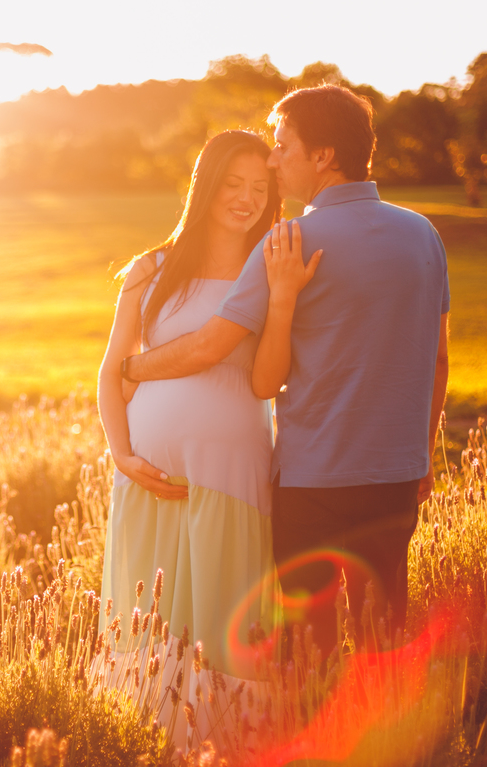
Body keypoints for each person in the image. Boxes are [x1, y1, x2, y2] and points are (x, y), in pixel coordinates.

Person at [123, 85, 451, 658]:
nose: (273, 160)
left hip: (312, 485)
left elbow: (212, 347)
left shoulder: (289, 242)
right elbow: (439, 360)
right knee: (383, 639)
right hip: (397, 479)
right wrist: (421, 454)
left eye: (282, 146)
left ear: (323, 156)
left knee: (307, 652)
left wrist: (133, 366)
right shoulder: (423, 235)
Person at [96, 129, 321, 751]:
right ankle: (138, 745)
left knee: (227, 622)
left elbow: (267, 380)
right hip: (147, 477)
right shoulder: (151, 269)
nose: (247, 199)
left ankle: (227, 748)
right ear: (205, 186)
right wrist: (121, 455)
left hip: (233, 473)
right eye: (233, 184)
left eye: (260, 188)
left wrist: (282, 299)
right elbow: (111, 370)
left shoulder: (266, 270)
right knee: (146, 623)